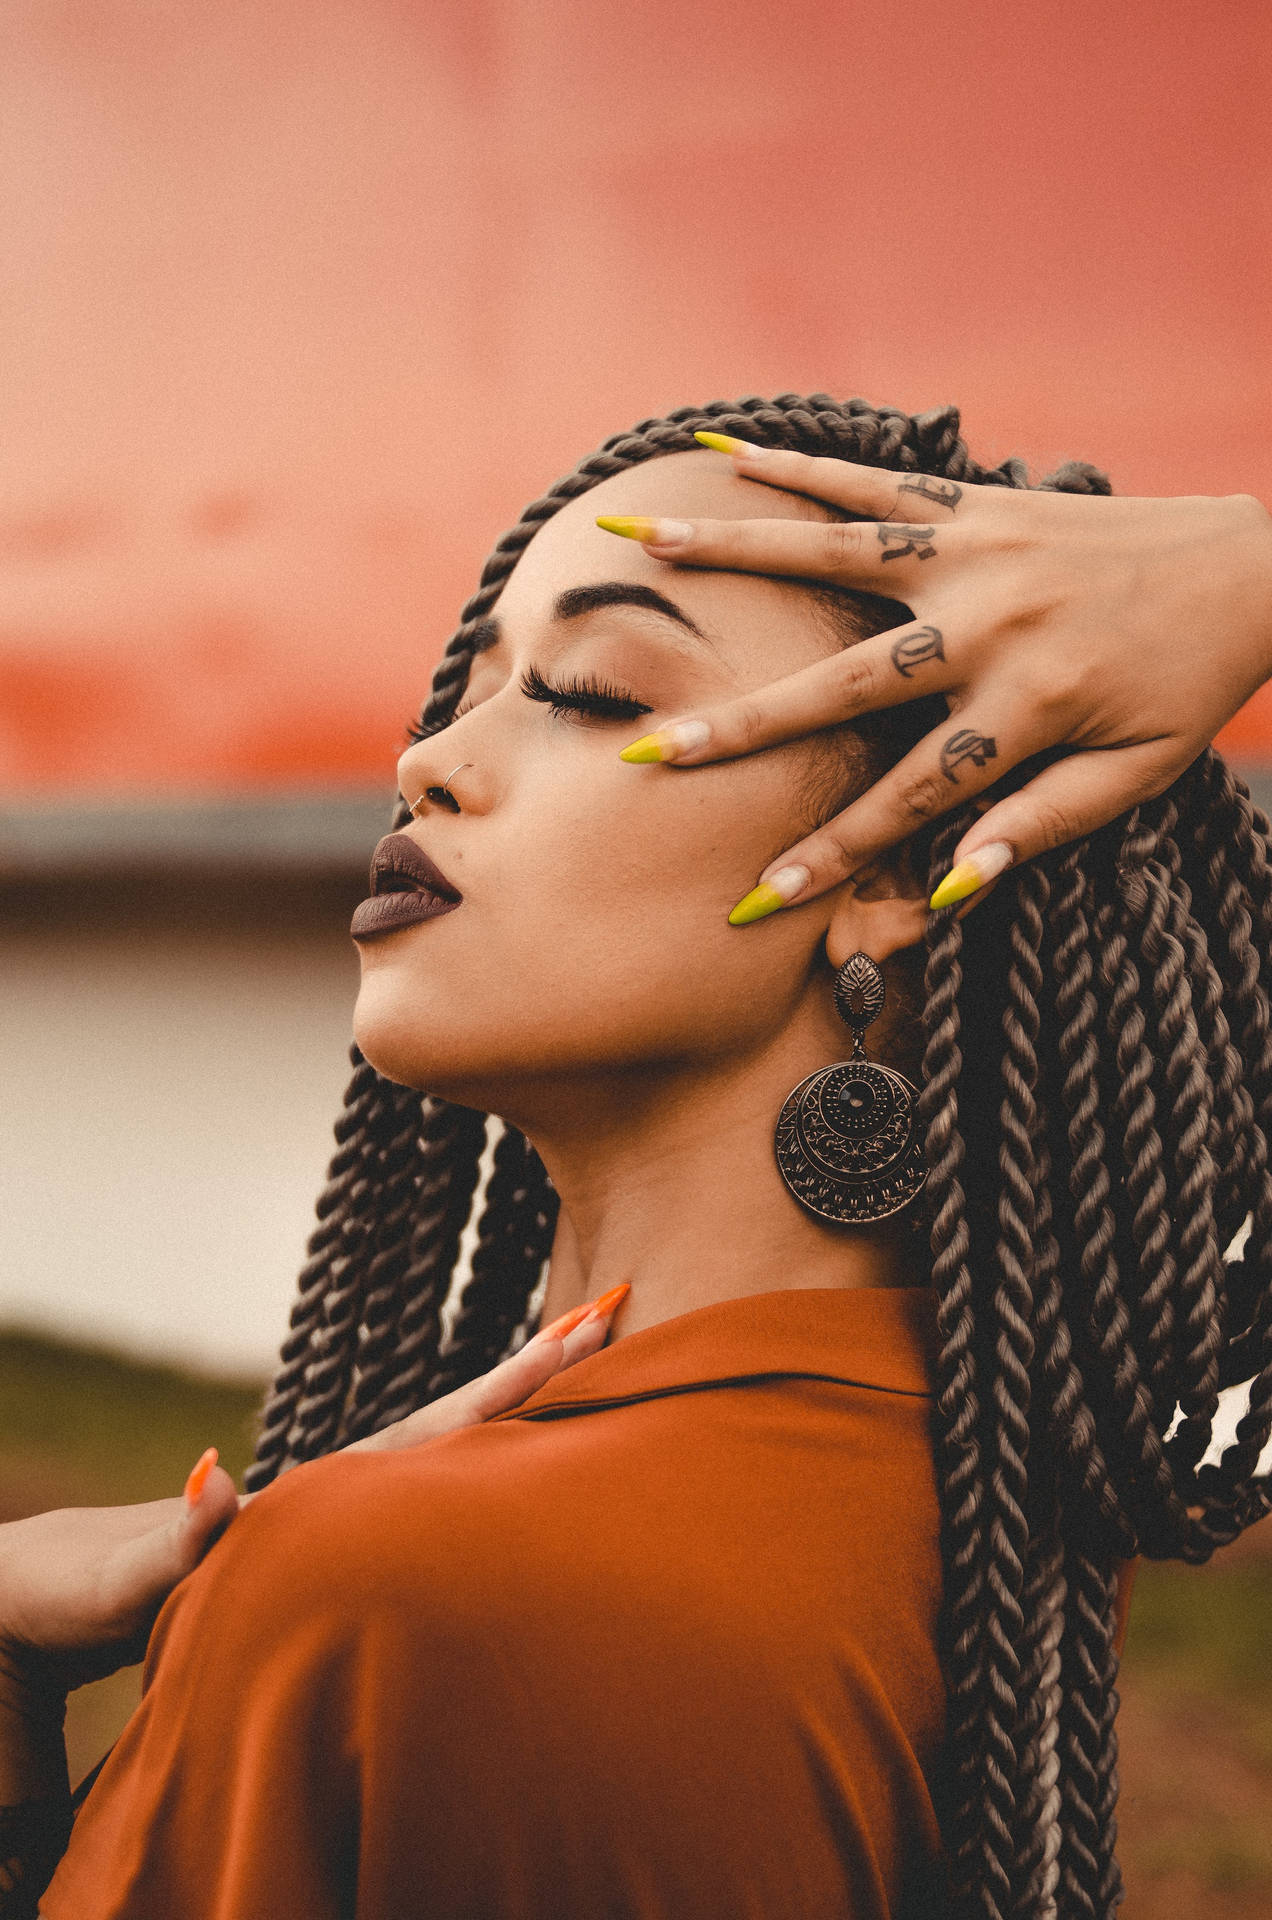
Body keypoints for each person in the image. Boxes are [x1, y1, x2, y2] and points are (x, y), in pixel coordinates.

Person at [3, 391, 1271, 1920]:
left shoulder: (391, 1597)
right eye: (469, 690)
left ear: (889, 872)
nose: (429, 762)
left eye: (592, 691)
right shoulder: (946, 1501)